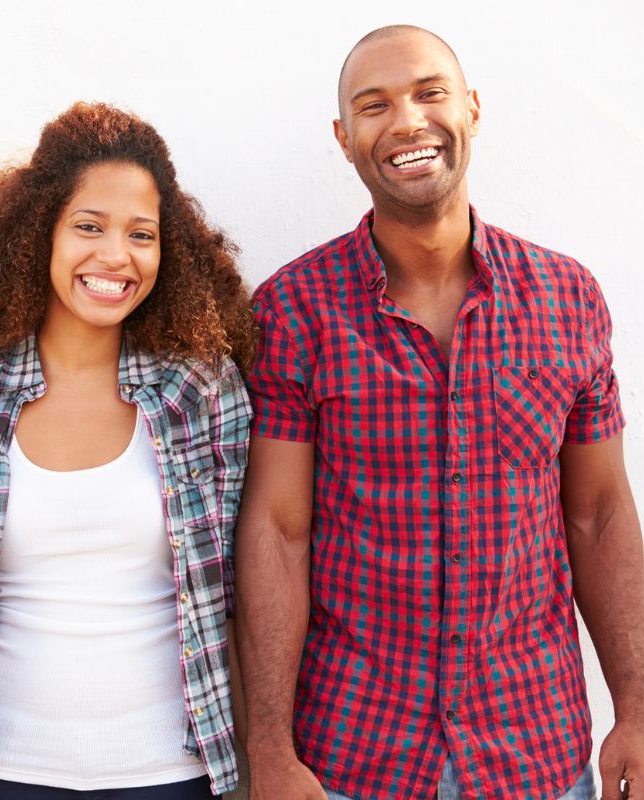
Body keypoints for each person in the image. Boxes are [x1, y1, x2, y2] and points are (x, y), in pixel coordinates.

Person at [236, 24, 644, 800]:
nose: (407, 121)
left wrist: (638, 709)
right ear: (345, 138)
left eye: (430, 93)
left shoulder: (568, 298)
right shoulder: (293, 309)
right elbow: (277, 534)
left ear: (473, 108)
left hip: (533, 751)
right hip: (354, 754)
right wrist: (270, 751)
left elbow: (599, 513)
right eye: (374, 105)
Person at [0, 101, 256, 800]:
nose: (115, 256)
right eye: (89, 226)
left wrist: (252, 774)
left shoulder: (204, 393)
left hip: (170, 775)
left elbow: (232, 600)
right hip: (5, 775)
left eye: (142, 234)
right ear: (41, 234)